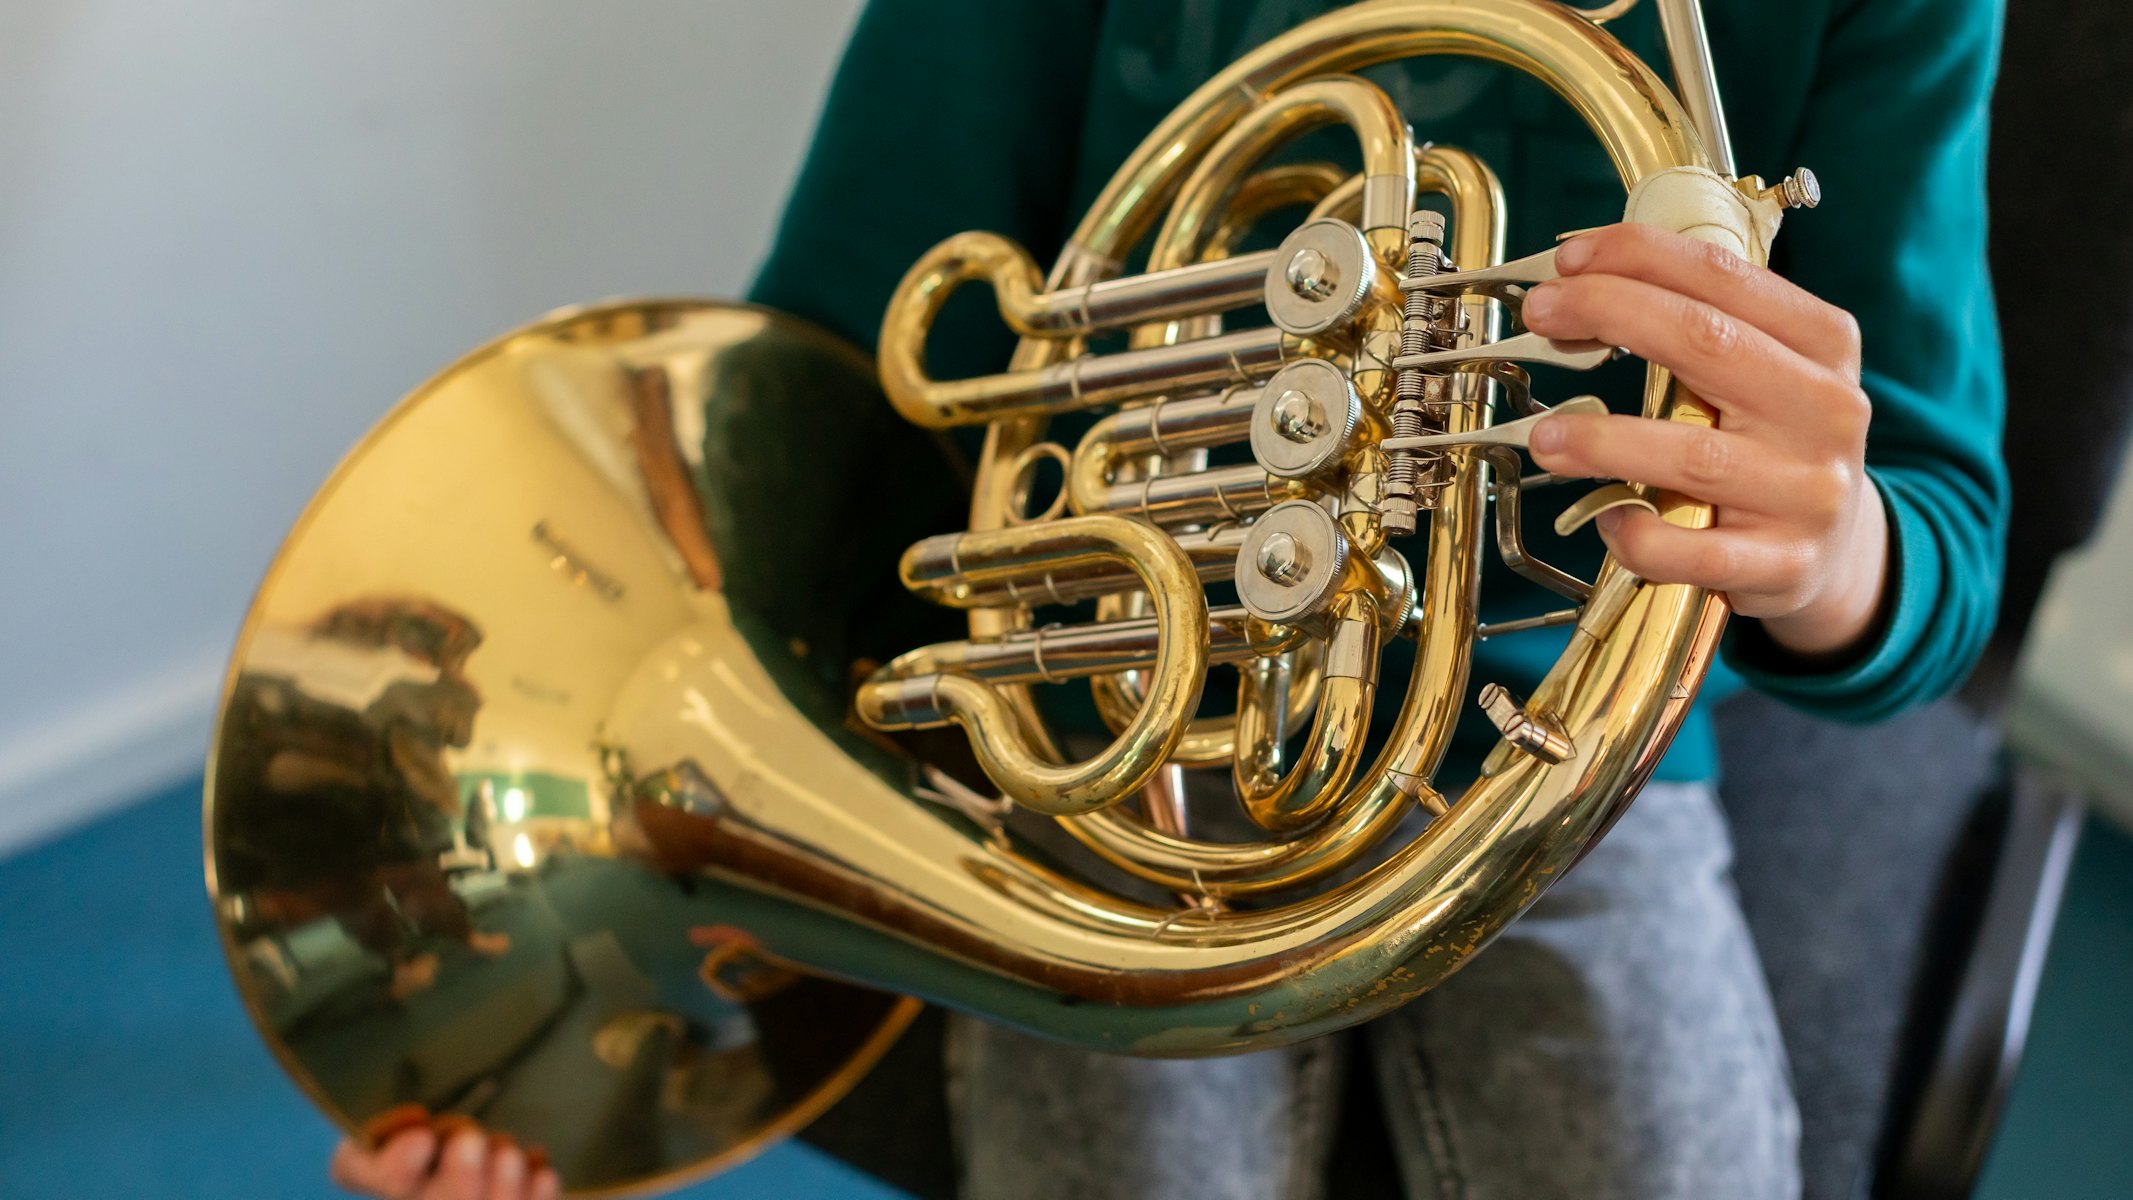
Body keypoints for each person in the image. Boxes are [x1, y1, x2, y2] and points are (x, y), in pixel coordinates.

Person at [330, 0, 2005, 1197]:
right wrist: (549, 1020)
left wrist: (1826, 544)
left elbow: (1940, 531)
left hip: (1572, 755)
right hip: (1107, 725)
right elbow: (834, 410)